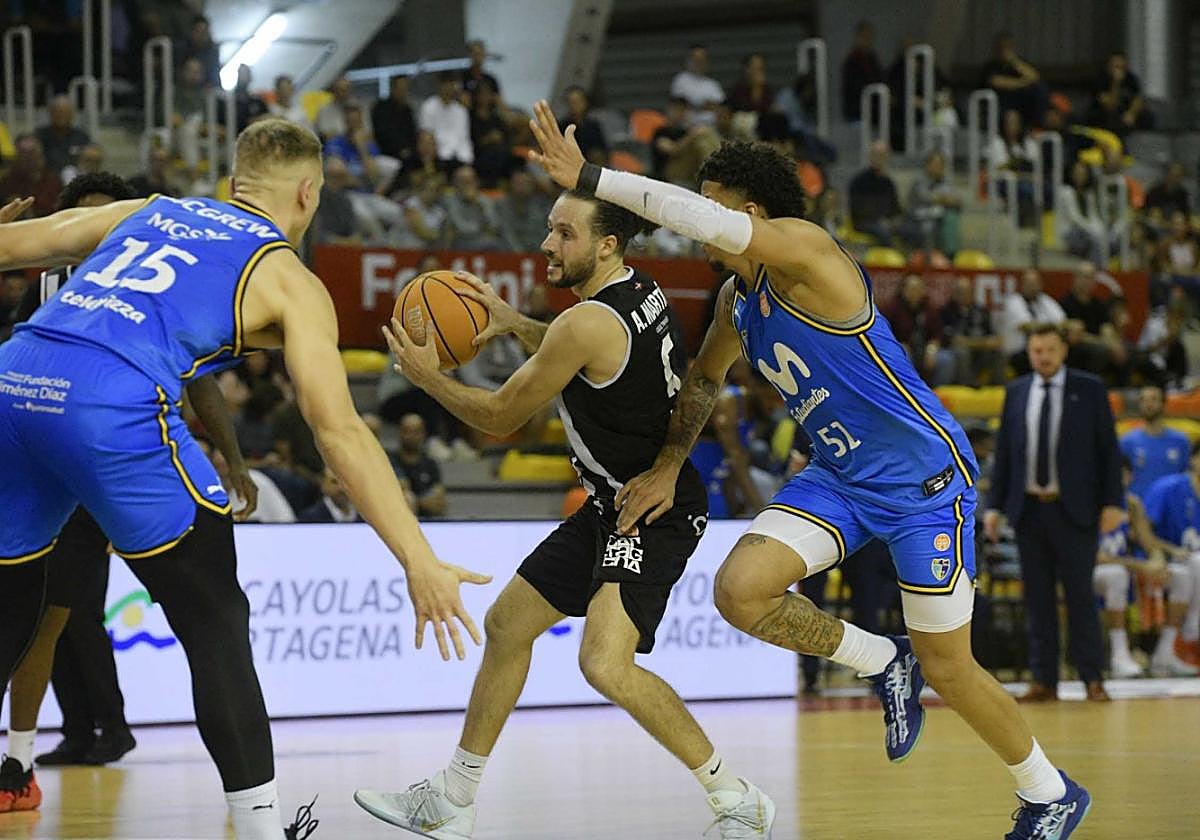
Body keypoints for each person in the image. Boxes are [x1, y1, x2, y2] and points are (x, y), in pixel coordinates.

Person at [525, 103, 1092, 838]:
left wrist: (593, 177)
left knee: (952, 666)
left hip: (921, 480)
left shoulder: (807, 249)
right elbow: (701, 384)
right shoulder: (737, 300)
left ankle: (1049, 792)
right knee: (740, 592)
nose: (702, 222)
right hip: (838, 477)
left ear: (750, 213)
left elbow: (693, 217)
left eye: (716, 206)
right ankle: (880, 660)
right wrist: (669, 464)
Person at [0, 118, 489, 839]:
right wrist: (418, 558)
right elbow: (339, 430)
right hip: (111, 402)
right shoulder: (289, 276)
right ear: (306, 192)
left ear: (234, 181)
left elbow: (12, 246)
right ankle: (262, 829)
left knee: (10, 604)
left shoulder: (149, 211)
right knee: (216, 619)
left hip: (17, 378)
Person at [355, 190, 775, 838]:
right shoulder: (638, 290)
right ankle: (452, 799)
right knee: (506, 625)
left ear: (606, 243)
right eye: (550, 229)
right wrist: (513, 322)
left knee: (604, 663)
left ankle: (737, 798)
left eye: (564, 233)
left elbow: (500, 417)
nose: (548, 244)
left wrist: (426, 376)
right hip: (618, 499)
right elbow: (585, 353)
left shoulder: (583, 324)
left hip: (648, 509)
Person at [985, 325, 1123, 705]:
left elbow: (1108, 452)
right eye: (1035, 350)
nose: (1041, 356)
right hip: (1028, 510)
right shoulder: (1016, 392)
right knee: (1038, 601)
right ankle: (1044, 679)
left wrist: (1114, 503)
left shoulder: (1089, 388)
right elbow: (1006, 455)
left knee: (1080, 597)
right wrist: (995, 506)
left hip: (1074, 510)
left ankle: (1092, 677)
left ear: (1063, 351)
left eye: (1048, 349)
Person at [1095, 457, 1200, 677]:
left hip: (1126, 567)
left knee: (1181, 575)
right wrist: (1140, 565)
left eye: (1121, 475)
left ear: (1129, 477)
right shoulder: (1086, 503)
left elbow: (1149, 544)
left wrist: (1157, 562)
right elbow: (1090, 556)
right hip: (1092, 570)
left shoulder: (1132, 503)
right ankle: (1120, 654)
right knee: (1116, 576)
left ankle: (1165, 653)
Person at [1140, 445, 1200, 669]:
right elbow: (1143, 531)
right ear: (1193, 460)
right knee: (1195, 563)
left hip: (1189, 567)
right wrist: (1167, 551)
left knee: (1194, 566)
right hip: (1162, 560)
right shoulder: (1168, 487)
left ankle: (1165, 652)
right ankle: (1193, 625)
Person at [1000, 269, 1066, 374]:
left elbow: (1062, 322)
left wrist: (1054, 327)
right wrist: (1052, 327)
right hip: (1018, 351)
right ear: (1022, 285)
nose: (1032, 287)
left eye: (1035, 283)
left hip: (1044, 349)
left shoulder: (1045, 301)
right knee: (1031, 357)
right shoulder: (1013, 301)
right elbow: (1027, 326)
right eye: (1029, 283)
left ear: (1040, 285)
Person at [940, 276, 1002, 385]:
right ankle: (967, 385)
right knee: (962, 352)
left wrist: (980, 343)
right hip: (958, 351)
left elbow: (994, 338)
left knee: (999, 352)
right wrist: (982, 343)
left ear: (973, 293)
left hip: (980, 351)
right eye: (960, 292)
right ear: (954, 293)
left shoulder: (980, 310)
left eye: (967, 292)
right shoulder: (946, 311)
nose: (963, 295)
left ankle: (998, 386)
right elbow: (955, 340)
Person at [979, 33, 1047, 127]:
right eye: (1002, 47)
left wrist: (1014, 61)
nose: (1005, 51)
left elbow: (1035, 78)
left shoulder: (1020, 64)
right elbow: (1000, 82)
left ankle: (1037, 126)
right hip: (999, 105)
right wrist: (1025, 82)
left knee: (1040, 89)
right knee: (1010, 115)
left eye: (1009, 47)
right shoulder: (991, 66)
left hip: (1020, 104)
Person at [390, 414, 447, 518]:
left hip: (428, 521)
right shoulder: (390, 460)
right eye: (407, 431)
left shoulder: (430, 463)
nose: (411, 436)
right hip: (396, 519)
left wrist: (417, 502)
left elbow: (438, 500)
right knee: (407, 498)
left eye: (416, 431)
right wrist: (421, 501)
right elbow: (400, 493)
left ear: (423, 433)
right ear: (400, 432)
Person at [1085, 51, 1150, 138]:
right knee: (1111, 119)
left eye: (1122, 67)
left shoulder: (1131, 78)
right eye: (1116, 67)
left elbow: (1138, 98)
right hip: (1105, 114)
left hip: (1125, 114)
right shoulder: (1101, 79)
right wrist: (1116, 83)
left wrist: (1131, 113)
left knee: (1147, 116)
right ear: (1109, 66)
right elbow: (1110, 105)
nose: (1119, 70)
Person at [848, 140, 901, 243]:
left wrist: (894, 220)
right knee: (884, 233)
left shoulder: (888, 182)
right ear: (871, 157)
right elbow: (858, 209)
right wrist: (880, 220)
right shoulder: (859, 181)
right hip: (863, 222)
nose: (879, 158)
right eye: (876, 155)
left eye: (882, 155)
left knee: (909, 231)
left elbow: (895, 207)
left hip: (885, 222)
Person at [420, 72, 474, 169]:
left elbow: (464, 138)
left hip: (460, 157)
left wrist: (468, 159)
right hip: (439, 156)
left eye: (452, 84)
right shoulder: (429, 107)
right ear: (440, 85)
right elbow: (427, 135)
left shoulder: (461, 111)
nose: (450, 88)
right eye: (447, 84)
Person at [35, 96, 91, 178]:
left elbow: (92, 155)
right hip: (47, 179)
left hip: (74, 180)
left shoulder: (81, 136)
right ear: (50, 113)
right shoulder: (39, 135)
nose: (61, 115)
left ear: (72, 114)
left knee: (69, 172)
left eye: (65, 112)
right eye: (57, 112)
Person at [670, 45, 725, 126]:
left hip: (712, 126)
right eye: (696, 59)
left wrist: (698, 105)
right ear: (688, 61)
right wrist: (705, 105)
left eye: (702, 60)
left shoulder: (713, 84)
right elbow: (680, 106)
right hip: (687, 127)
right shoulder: (680, 80)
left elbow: (720, 107)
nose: (699, 63)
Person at [841, 20, 883, 122]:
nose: (867, 40)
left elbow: (880, 77)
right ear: (858, 37)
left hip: (874, 111)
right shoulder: (852, 61)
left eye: (870, 36)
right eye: (864, 36)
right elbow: (856, 86)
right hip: (858, 112)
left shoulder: (872, 58)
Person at [372, 75, 418, 163]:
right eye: (401, 89)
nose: (404, 92)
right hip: (387, 153)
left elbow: (413, 134)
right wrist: (400, 149)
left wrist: (410, 149)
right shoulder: (381, 108)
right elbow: (382, 134)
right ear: (393, 89)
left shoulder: (408, 111)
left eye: (406, 89)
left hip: (409, 152)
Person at [558, 86, 608, 166]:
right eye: (572, 102)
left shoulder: (594, 126)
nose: (575, 105)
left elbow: (602, 149)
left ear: (585, 102)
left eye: (578, 101)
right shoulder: (562, 126)